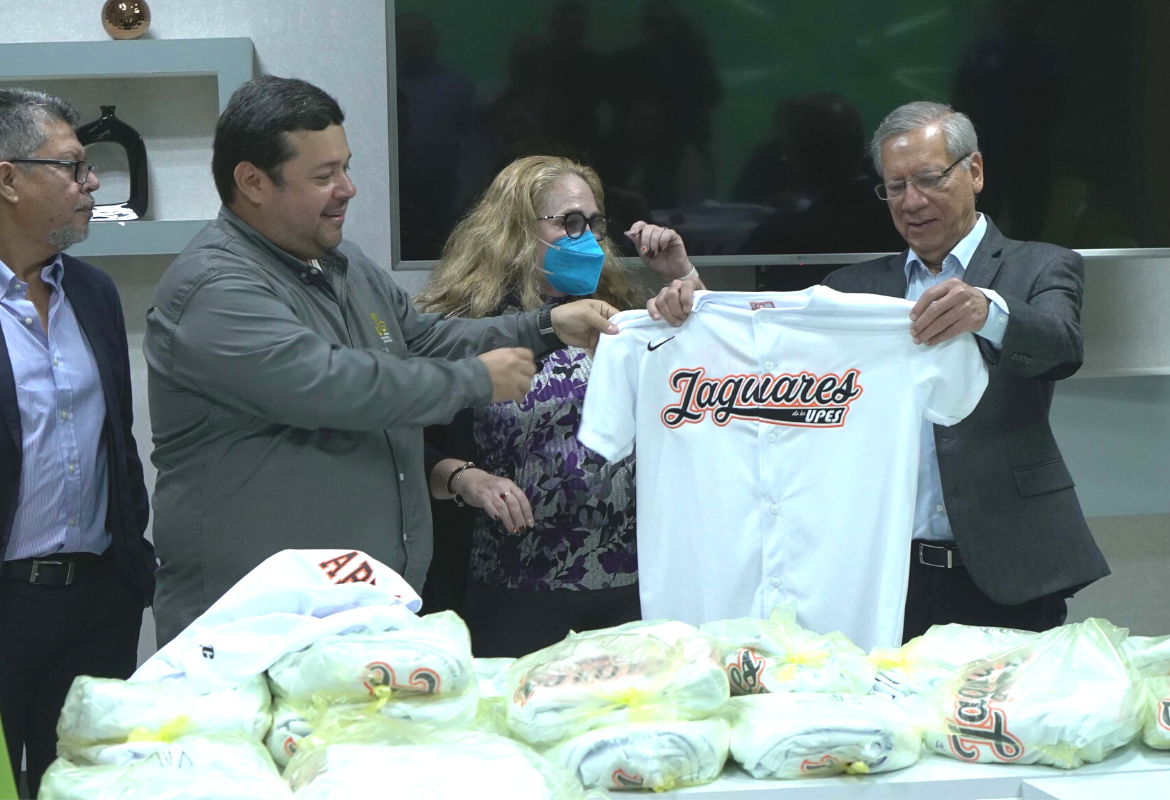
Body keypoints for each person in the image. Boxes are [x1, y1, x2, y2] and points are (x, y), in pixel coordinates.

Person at [144, 77, 619, 647]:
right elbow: (328, 384)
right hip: (254, 631)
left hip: (364, 612)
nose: (347, 188)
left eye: (345, 167)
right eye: (324, 176)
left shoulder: (345, 266)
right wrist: (476, 380)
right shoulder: (215, 285)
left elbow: (423, 339)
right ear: (252, 182)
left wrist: (544, 326)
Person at [651, 101, 1109, 642]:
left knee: (1003, 723)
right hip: (878, 573)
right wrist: (699, 302)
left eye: (929, 179)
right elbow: (769, 356)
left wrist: (989, 311)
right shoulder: (851, 288)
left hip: (1006, 563)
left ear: (975, 171)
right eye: (894, 187)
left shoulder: (1040, 265)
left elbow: (1061, 343)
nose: (912, 202)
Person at [414, 155, 696, 657]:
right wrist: (468, 478)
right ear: (518, 230)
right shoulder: (464, 326)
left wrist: (686, 278)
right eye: (568, 222)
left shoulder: (624, 317)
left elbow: (715, 396)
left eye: (592, 223)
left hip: (632, 586)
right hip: (514, 588)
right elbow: (412, 448)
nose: (585, 236)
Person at [0, 88, 154, 797]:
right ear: (7, 178)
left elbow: (117, 447)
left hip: (97, 603)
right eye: (72, 167)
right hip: (7, 604)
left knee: (93, 786)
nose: (93, 184)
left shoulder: (92, 291)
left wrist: (132, 569)